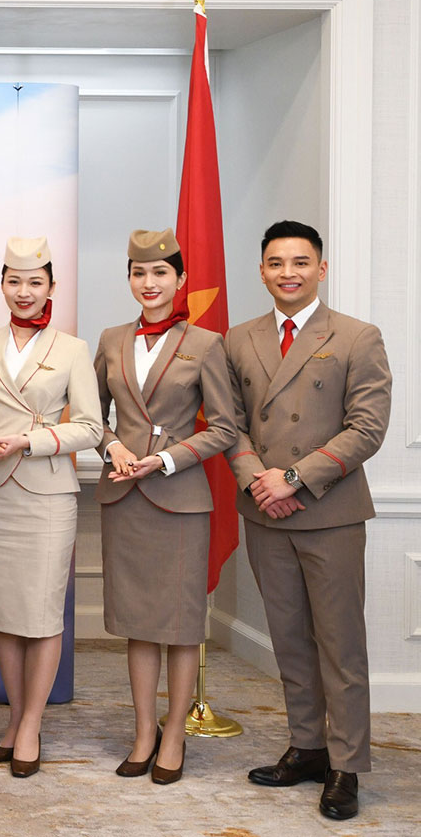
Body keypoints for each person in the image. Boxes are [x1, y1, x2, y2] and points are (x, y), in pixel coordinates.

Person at [225, 220, 390, 821]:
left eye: (300, 262)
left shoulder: (356, 336)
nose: (287, 272)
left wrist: (293, 479)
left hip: (330, 514)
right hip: (265, 512)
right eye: (275, 263)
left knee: (340, 644)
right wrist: (257, 480)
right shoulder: (239, 338)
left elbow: (367, 428)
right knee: (290, 641)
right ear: (262, 271)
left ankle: (347, 764)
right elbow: (231, 423)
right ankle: (309, 746)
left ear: (322, 268)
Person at [0, 236, 103, 778]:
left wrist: (27, 442)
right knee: (5, 613)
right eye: (14, 281)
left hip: (47, 494)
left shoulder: (72, 349)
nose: (24, 291)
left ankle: (31, 724)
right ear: (3, 285)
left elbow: (91, 427)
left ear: (51, 288)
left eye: (35, 282)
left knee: (40, 613)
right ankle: (15, 718)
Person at [93, 229, 239, 785]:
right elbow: (94, 418)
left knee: (179, 625)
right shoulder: (109, 339)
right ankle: (143, 732)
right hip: (123, 494)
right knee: (137, 623)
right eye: (138, 273)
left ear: (180, 280)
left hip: (179, 498)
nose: (148, 283)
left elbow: (225, 428)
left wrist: (167, 459)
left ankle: (174, 733)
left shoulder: (206, 343)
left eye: (159, 274)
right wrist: (113, 447)